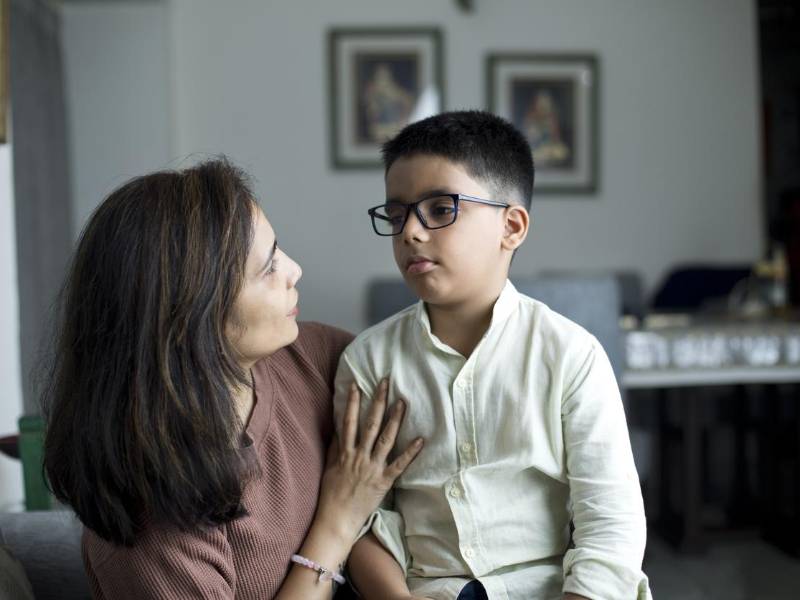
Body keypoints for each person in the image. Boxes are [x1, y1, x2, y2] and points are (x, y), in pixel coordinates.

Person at [41, 158, 423, 600]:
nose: (294, 270)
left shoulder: (317, 358)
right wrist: (338, 521)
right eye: (268, 269)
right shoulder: (147, 528)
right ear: (190, 318)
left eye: (278, 250)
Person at [333, 111, 651, 600]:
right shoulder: (369, 362)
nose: (410, 233)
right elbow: (359, 521)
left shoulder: (571, 355)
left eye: (440, 209)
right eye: (397, 215)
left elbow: (611, 522)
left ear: (512, 226)